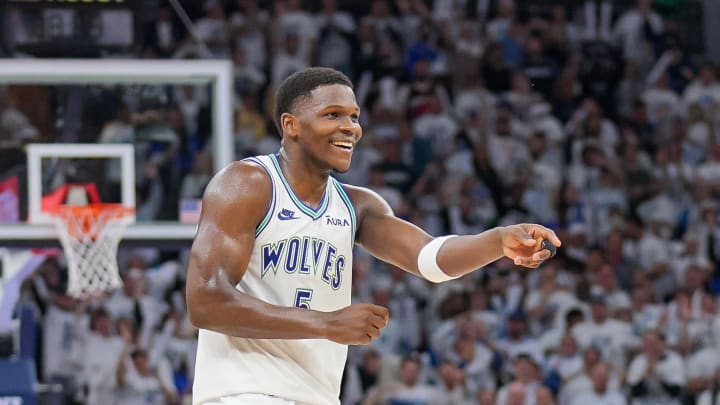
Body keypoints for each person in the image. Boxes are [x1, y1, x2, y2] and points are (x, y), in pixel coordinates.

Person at [186, 66, 561, 405]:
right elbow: (205, 301)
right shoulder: (247, 184)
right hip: (242, 392)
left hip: (315, 396)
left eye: (353, 116)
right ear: (291, 125)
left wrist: (496, 241)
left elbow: (429, 258)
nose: (350, 127)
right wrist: (325, 323)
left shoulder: (357, 205)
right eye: (332, 115)